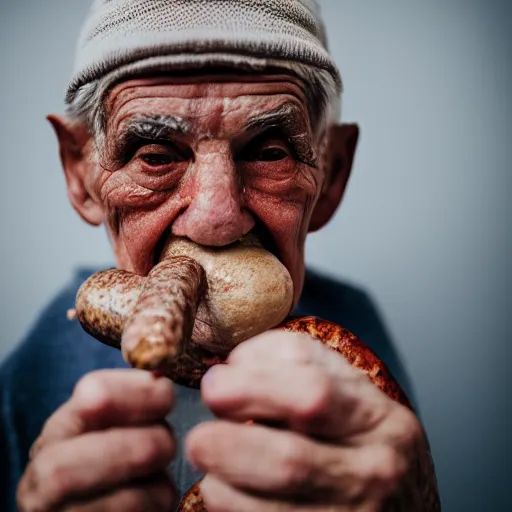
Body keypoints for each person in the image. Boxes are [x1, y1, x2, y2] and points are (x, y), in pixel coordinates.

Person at [0, 1, 440, 510]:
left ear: (332, 172)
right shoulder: (34, 375)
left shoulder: (356, 345)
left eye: (270, 151)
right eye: (155, 156)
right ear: (82, 174)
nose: (216, 218)